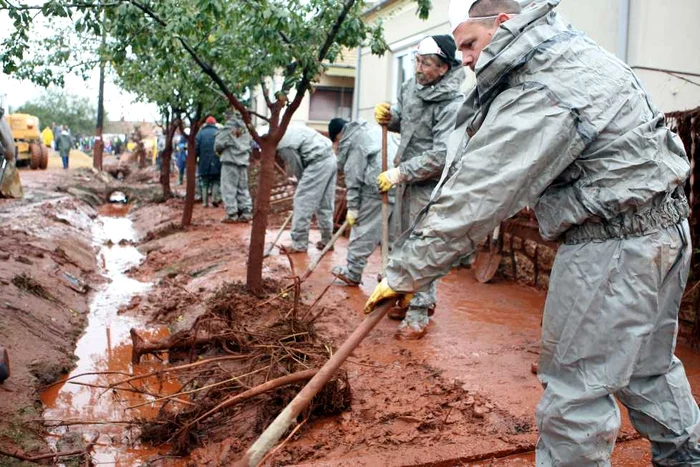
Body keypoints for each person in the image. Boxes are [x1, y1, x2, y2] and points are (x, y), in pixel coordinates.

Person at [364, 0, 700, 465]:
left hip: (612, 249)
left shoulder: (545, 85)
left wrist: (405, 271)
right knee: (649, 369)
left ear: (503, 25)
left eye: (469, 44)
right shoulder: (569, 54)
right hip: (662, 233)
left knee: (576, 391)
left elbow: (482, 189)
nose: (462, 58)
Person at [373, 34, 465, 339]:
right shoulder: (411, 87)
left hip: (428, 183)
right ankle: (403, 295)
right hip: (405, 177)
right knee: (401, 239)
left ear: (443, 69)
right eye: (418, 61)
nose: (419, 68)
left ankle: (420, 312)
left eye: (427, 64)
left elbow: (441, 154)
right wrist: (393, 119)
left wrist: (402, 172)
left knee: (423, 243)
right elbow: (409, 123)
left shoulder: (452, 103)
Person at [328, 117, 398, 287]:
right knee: (394, 235)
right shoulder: (372, 131)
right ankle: (392, 277)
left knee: (363, 231)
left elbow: (354, 176)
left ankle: (353, 272)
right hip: (399, 181)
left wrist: (352, 208)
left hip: (376, 188)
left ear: (338, 136)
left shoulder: (354, 141)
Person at [277, 124, 337, 253]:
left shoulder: (284, 144)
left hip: (317, 162)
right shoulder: (290, 130)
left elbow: (295, 166)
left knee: (302, 201)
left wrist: (301, 184)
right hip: (330, 158)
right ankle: (327, 240)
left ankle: (299, 243)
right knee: (325, 204)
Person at [215, 111, 254, 223]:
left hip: (229, 161)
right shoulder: (246, 128)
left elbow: (218, 145)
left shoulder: (228, 128)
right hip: (243, 162)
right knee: (243, 188)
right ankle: (246, 212)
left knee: (228, 188)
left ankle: (232, 214)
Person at [196, 116, 222, 208]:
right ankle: (215, 199)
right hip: (217, 162)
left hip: (203, 162)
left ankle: (205, 203)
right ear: (214, 124)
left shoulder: (200, 134)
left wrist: (196, 158)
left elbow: (196, 148)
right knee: (216, 181)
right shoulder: (219, 133)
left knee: (205, 182)